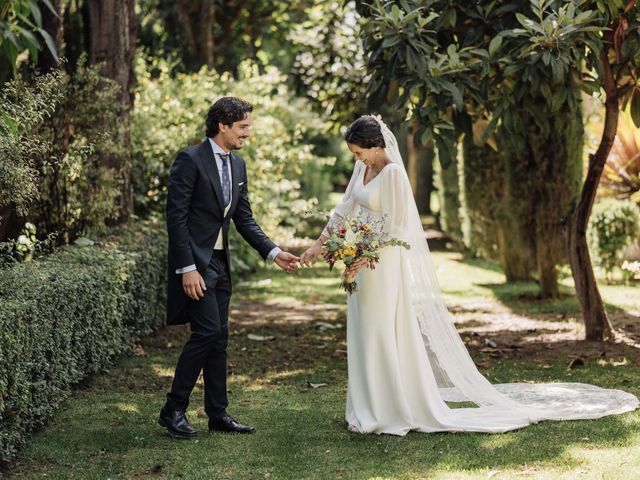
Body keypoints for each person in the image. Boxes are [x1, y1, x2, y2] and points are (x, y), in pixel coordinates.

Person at [300, 114, 639, 435]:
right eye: (355, 154)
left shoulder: (391, 174)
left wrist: (365, 252)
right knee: (363, 332)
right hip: (359, 264)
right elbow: (345, 209)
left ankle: (388, 412)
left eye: (360, 152)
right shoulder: (362, 171)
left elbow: (397, 226)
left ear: (376, 145)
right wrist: (320, 244)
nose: (358, 159)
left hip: (382, 265)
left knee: (381, 332)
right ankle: (364, 409)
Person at [159, 97, 300, 438]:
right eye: (243, 126)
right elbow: (175, 219)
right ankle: (173, 409)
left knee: (219, 338)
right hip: (198, 265)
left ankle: (217, 413)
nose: (247, 133)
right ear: (222, 125)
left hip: (221, 265)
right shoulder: (190, 159)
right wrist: (187, 268)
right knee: (206, 332)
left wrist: (274, 252)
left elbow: (244, 219)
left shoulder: (238, 165)